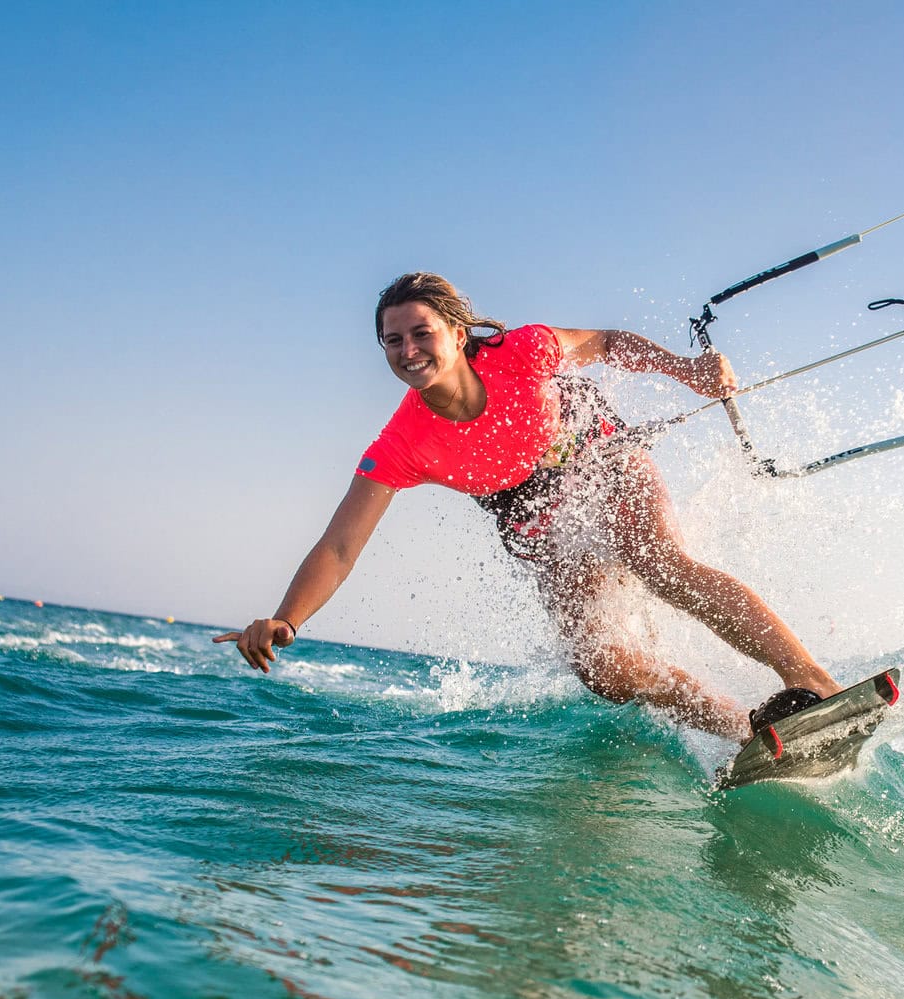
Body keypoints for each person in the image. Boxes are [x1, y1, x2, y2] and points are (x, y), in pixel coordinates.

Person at [215, 272, 839, 741]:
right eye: (392, 340)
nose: (407, 350)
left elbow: (605, 342)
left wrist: (686, 370)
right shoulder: (402, 443)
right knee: (603, 669)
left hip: (597, 458)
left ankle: (810, 680)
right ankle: (748, 732)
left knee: (661, 568)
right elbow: (340, 545)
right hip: (532, 516)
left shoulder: (524, 351)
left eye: (421, 333)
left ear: (459, 334)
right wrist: (287, 618)